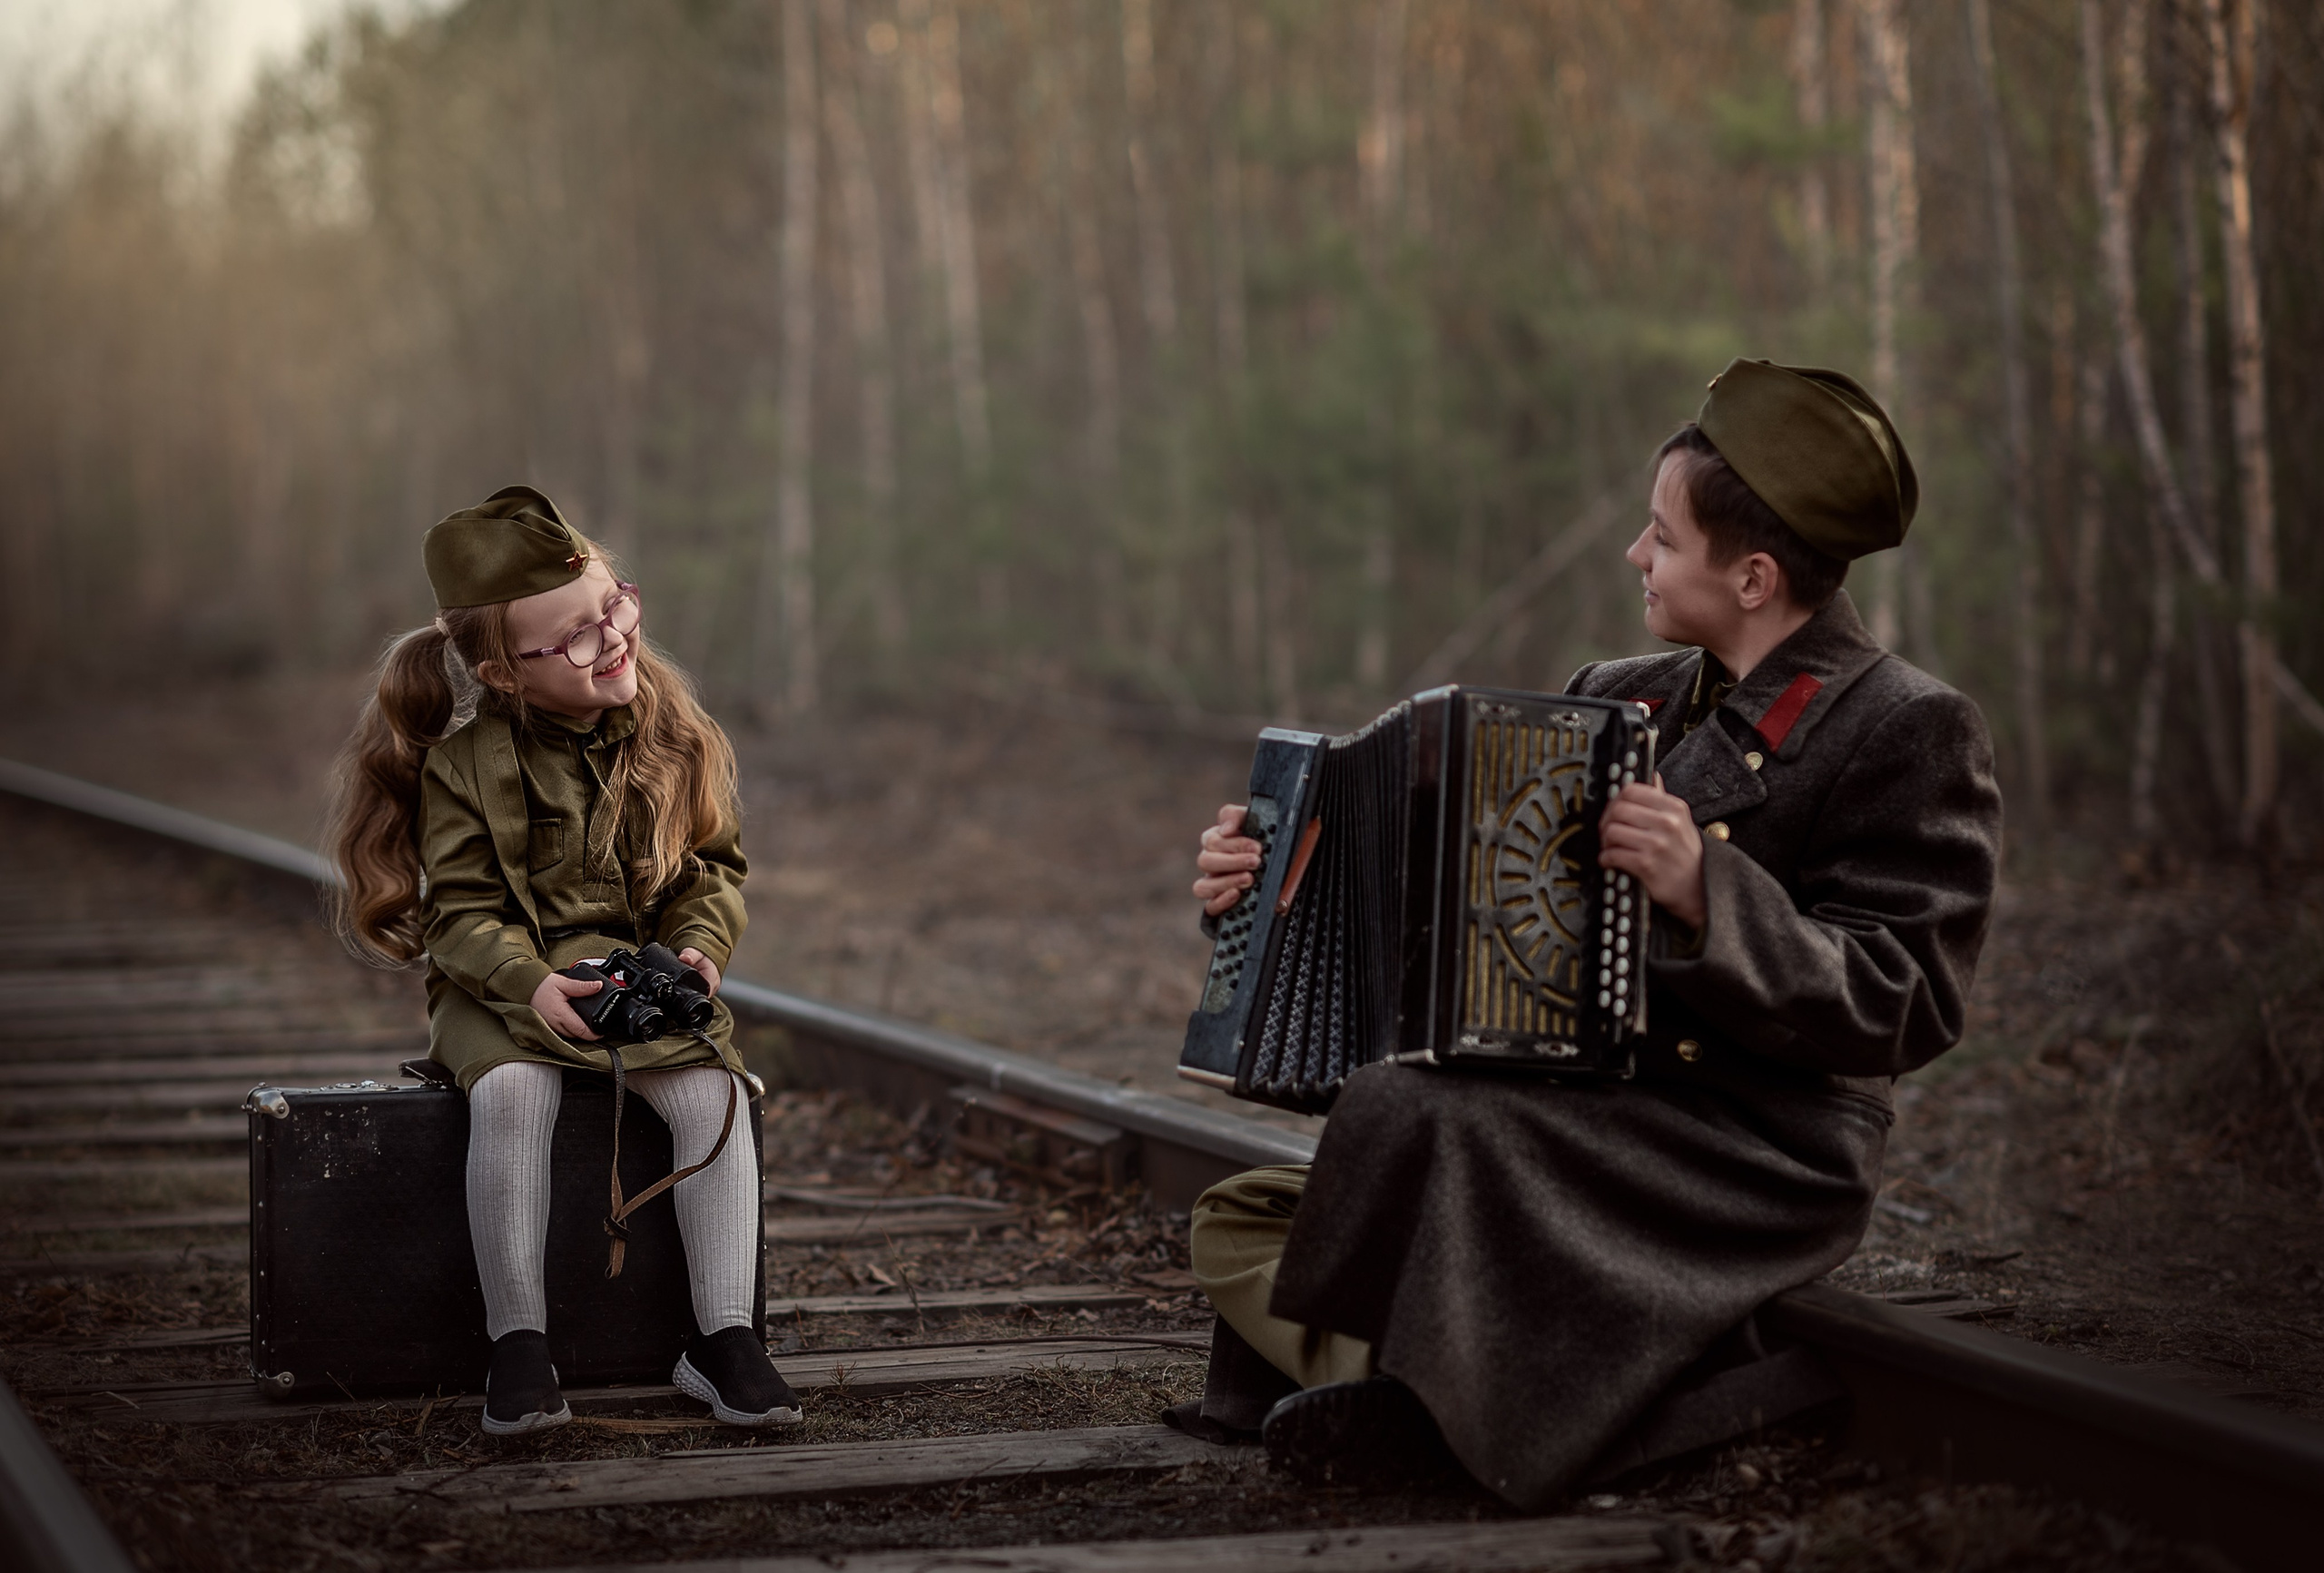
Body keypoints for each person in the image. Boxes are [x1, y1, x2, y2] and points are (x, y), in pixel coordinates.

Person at [1179, 360, 2003, 1507]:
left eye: (1661, 537)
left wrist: (1708, 890)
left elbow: (1905, 994)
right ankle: (1433, 1389)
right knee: (1263, 1198)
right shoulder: (1622, 694)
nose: (1634, 554)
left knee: (1430, 1129)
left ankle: (1465, 1417)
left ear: (1754, 575)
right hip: (1585, 1093)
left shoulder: (1906, 725)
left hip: (1749, 1144)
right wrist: (1272, 894)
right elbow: (1465, 932)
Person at [326, 486, 801, 1436]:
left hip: (632, 968)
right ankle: (520, 1341)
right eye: (576, 639)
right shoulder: (464, 765)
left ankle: (723, 1335)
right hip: (497, 979)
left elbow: (711, 868)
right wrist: (531, 985)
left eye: (613, 606)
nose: (615, 639)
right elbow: (458, 916)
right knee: (512, 1091)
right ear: (504, 674)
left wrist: (698, 951)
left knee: (715, 1089)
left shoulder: (673, 731)